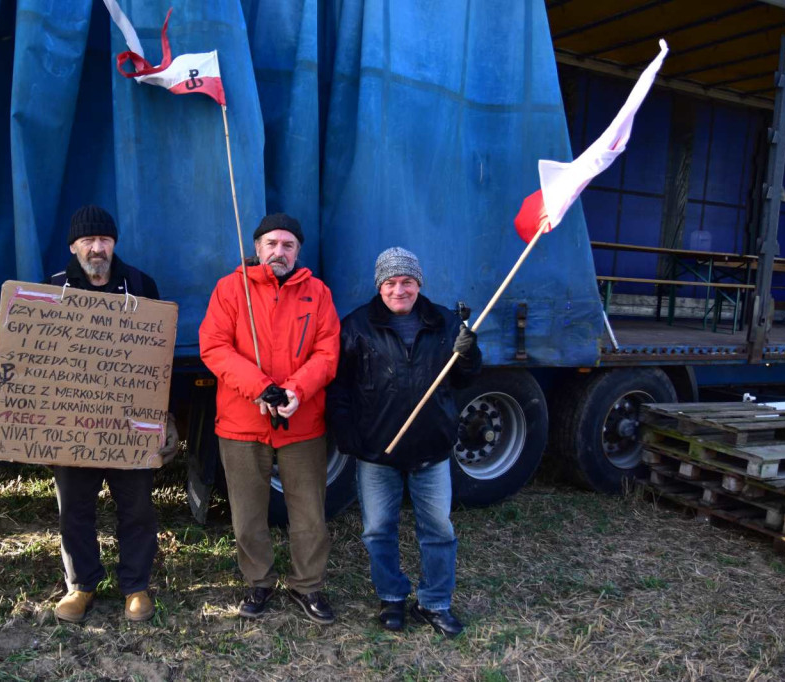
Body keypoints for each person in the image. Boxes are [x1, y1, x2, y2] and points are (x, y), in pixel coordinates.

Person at [327, 247, 481, 638]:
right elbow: (339, 386)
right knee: (378, 528)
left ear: (418, 284)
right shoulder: (357, 326)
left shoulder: (444, 322)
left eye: (407, 281)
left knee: (439, 530)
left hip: (431, 449)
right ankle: (391, 598)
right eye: (391, 282)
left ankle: (435, 602)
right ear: (380, 286)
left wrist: (468, 354)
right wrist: (346, 433)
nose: (400, 290)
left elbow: (465, 379)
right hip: (378, 451)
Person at [199, 213, 340, 624]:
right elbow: (214, 346)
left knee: (310, 514)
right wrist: (260, 387)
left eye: (288, 245)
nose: (279, 252)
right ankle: (258, 581)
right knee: (246, 514)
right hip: (242, 423)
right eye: (272, 244)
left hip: (302, 423)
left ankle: (307, 585)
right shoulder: (230, 289)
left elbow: (328, 352)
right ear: (258, 247)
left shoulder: (318, 293)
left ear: (298, 251)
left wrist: (295, 390)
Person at [49, 205, 174, 624]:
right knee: (75, 509)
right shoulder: (50, 290)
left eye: (104, 240)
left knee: (137, 507)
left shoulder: (140, 285)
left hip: (130, 424)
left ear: (114, 243)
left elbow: (159, 357)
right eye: (88, 240)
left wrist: (163, 415)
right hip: (73, 425)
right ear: (74, 246)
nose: (97, 248)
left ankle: (135, 587)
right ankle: (80, 586)